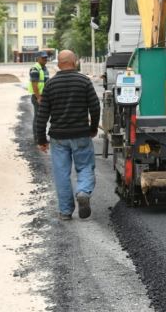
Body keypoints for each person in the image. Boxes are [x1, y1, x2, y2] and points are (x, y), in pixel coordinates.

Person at [35, 50, 100, 220]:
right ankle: (83, 192)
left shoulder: (50, 84)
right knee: (85, 167)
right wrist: (93, 128)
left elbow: (42, 115)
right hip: (81, 134)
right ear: (75, 62)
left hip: (58, 137)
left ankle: (65, 211)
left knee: (61, 173)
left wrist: (41, 139)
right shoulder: (84, 81)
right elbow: (95, 107)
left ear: (58, 64)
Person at [29, 51, 50, 120]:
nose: (45, 59)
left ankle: (40, 131)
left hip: (44, 96)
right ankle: (36, 131)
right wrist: (38, 97)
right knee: (38, 118)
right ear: (37, 58)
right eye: (43, 57)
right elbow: (34, 85)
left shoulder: (44, 68)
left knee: (43, 117)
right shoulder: (35, 69)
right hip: (38, 96)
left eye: (46, 57)